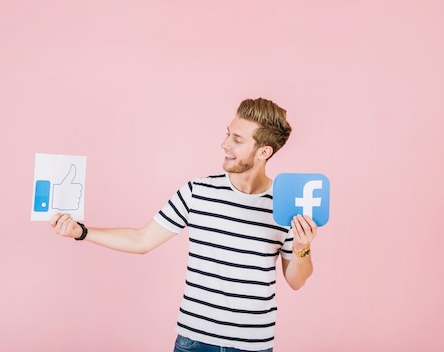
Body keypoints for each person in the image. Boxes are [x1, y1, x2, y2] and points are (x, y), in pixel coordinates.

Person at [50, 97, 317, 352]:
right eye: (227, 134)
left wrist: (302, 247)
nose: (224, 144)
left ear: (263, 151)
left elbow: (296, 281)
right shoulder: (197, 191)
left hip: (254, 344)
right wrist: (81, 232)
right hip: (194, 341)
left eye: (236, 140)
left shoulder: (286, 205)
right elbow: (142, 240)